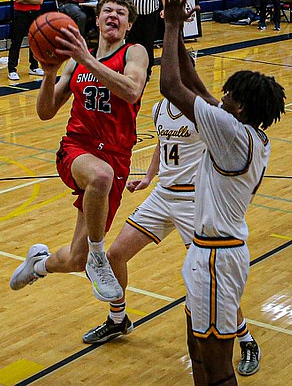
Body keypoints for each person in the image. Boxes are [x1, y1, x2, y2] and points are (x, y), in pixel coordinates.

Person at [82, 91, 262, 377]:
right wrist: (149, 177)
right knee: (115, 255)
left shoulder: (203, 112)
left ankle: (246, 340)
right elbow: (161, 145)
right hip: (162, 196)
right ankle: (118, 319)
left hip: (195, 201)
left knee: (210, 281)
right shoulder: (159, 108)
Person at [160, 0, 285, 386]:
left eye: (228, 94)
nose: (221, 96)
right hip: (209, 253)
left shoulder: (231, 133)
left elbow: (172, 87)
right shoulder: (244, 131)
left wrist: (169, 30)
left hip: (217, 257)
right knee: (197, 355)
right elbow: (195, 81)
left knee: (217, 368)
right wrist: (175, 25)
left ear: (241, 107)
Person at [9, 0, 148, 304]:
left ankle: (39, 264)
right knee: (100, 176)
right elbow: (45, 112)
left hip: (116, 155)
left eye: (121, 13)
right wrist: (48, 73)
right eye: (108, 10)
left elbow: (131, 90)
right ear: (97, 20)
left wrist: (87, 59)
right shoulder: (75, 63)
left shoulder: (134, 53)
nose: (114, 15)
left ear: (128, 25)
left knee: (75, 258)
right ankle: (99, 257)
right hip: (77, 148)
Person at [118, 0, 168, 78]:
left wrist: (165, 8)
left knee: (148, 44)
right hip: (134, 16)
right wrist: (117, 4)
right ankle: (127, 68)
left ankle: (147, 70)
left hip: (150, 16)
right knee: (131, 42)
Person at [7, 0, 46, 82]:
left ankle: (34, 66)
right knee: (16, 42)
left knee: (34, 42)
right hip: (20, 14)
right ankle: (12, 69)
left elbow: (40, 0)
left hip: (35, 14)